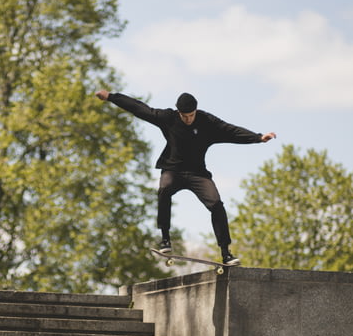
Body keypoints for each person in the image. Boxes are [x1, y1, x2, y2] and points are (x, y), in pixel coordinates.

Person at [95, 89, 276, 265]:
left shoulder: (207, 121)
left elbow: (230, 131)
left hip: (198, 173)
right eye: (184, 116)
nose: (188, 119)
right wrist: (112, 97)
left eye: (191, 115)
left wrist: (258, 137)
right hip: (172, 170)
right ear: (178, 112)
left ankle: (226, 253)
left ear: (196, 111)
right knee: (164, 188)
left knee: (216, 205)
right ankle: (165, 238)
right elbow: (140, 108)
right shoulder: (168, 118)